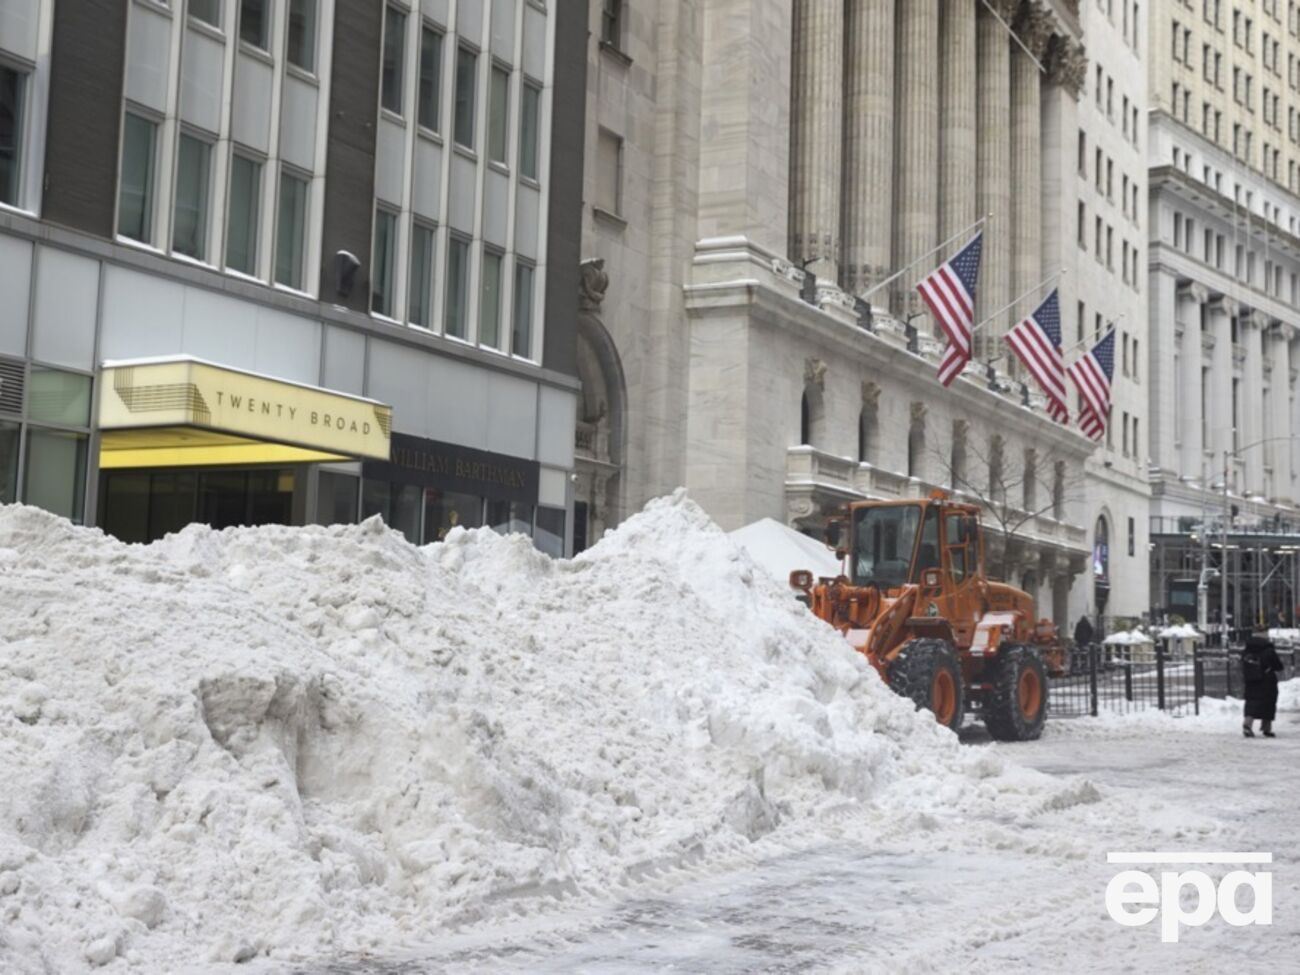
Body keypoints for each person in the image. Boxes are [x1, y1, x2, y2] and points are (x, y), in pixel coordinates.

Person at [1241, 628, 1285, 738]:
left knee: (1251, 702)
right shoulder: (1268, 650)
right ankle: (1266, 728)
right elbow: (1278, 666)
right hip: (1267, 680)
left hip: (1251, 680)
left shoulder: (1247, 649)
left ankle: (1248, 723)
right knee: (1268, 703)